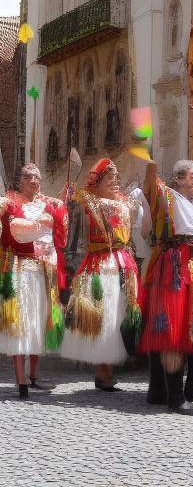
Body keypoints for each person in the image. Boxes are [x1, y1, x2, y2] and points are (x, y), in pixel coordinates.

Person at [138, 160, 193, 416]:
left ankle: (192, 387)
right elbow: (149, 185)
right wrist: (151, 163)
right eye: (192, 175)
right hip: (174, 263)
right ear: (178, 179)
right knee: (173, 328)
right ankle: (173, 395)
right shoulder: (166, 196)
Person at [60, 158, 142, 391]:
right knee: (102, 315)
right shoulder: (88, 201)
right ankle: (102, 370)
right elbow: (72, 218)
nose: (115, 182)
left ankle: (108, 370)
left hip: (121, 263)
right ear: (97, 181)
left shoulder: (126, 203)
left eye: (116, 178)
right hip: (99, 264)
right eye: (109, 178)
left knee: (118, 314)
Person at [0, 163, 67, 398]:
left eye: (37, 177)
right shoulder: (9, 202)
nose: (34, 181)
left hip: (41, 272)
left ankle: (34, 374)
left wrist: (63, 202)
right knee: (19, 322)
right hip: (18, 270)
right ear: (20, 181)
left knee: (39, 320)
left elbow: (60, 234)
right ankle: (20, 381)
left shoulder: (48, 204)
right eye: (29, 177)